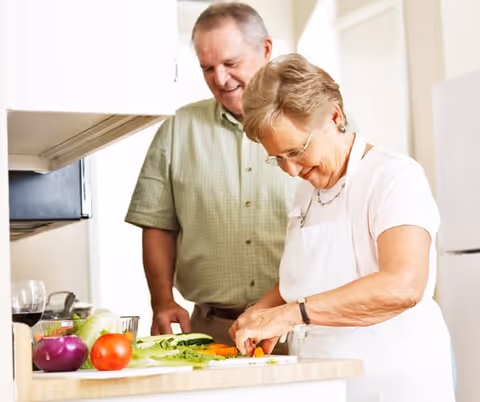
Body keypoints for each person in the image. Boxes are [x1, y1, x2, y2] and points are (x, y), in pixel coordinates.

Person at [230, 53, 455, 402]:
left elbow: (403, 286)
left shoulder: (393, 176)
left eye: (297, 150)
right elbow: (308, 278)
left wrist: (291, 315)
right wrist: (262, 312)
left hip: (393, 381)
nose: (290, 170)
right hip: (324, 381)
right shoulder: (307, 190)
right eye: (277, 158)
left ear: (334, 116)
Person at [125, 3, 298, 349]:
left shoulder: (315, 122)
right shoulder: (176, 129)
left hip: (295, 327)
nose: (219, 79)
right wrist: (161, 300)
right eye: (208, 68)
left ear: (265, 49)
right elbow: (157, 224)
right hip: (210, 332)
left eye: (231, 64)